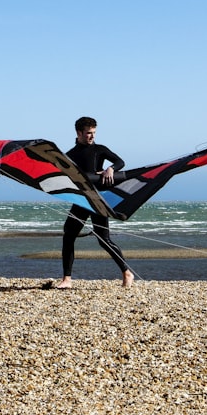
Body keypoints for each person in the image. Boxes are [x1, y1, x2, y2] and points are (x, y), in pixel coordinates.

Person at [55, 116, 135, 289]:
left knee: (104, 239)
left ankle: (127, 273)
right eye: (89, 133)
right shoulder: (70, 155)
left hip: (98, 199)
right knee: (69, 235)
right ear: (79, 133)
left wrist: (110, 169)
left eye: (94, 133)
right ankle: (66, 279)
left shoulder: (99, 149)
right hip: (81, 199)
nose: (92, 136)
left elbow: (120, 161)